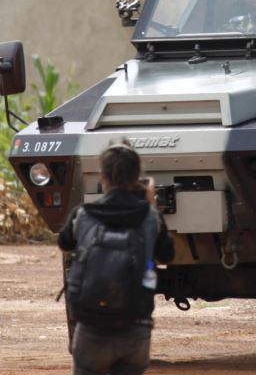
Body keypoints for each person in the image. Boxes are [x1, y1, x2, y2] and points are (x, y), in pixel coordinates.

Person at [59, 143, 174, 375]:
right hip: (135, 329)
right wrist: (150, 205)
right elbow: (167, 255)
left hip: (91, 329)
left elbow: (65, 243)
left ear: (103, 177)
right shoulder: (151, 217)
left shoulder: (82, 214)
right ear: (137, 177)